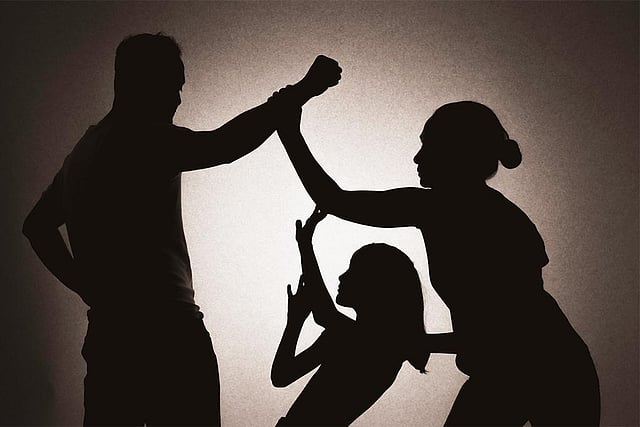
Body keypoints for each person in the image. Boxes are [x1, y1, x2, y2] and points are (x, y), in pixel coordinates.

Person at [21, 32, 341, 426]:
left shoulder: (83, 152)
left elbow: (36, 226)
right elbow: (225, 145)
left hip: (109, 334)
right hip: (168, 332)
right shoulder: (144, 138)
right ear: (138, 82)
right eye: (171, 85)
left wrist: (86, 286)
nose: (177, 98)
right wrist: (302, 91)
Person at [275, 100, 601, 425]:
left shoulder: (452, 212)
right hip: (517, 368)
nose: (417, 158)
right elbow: (334, 201)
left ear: (454, 151)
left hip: (547, 367)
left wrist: (289, 132)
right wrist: (289, 133)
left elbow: (510, 330)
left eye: (427, 146)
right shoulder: (463, 212)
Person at [271, 208, 430, 426]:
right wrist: (295, 322)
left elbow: (324, 314)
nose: (342, 276)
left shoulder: (375, 343)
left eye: (353, 271)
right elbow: (281, 376)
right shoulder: (356, 339)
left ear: (373, 286)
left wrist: (305, 245)